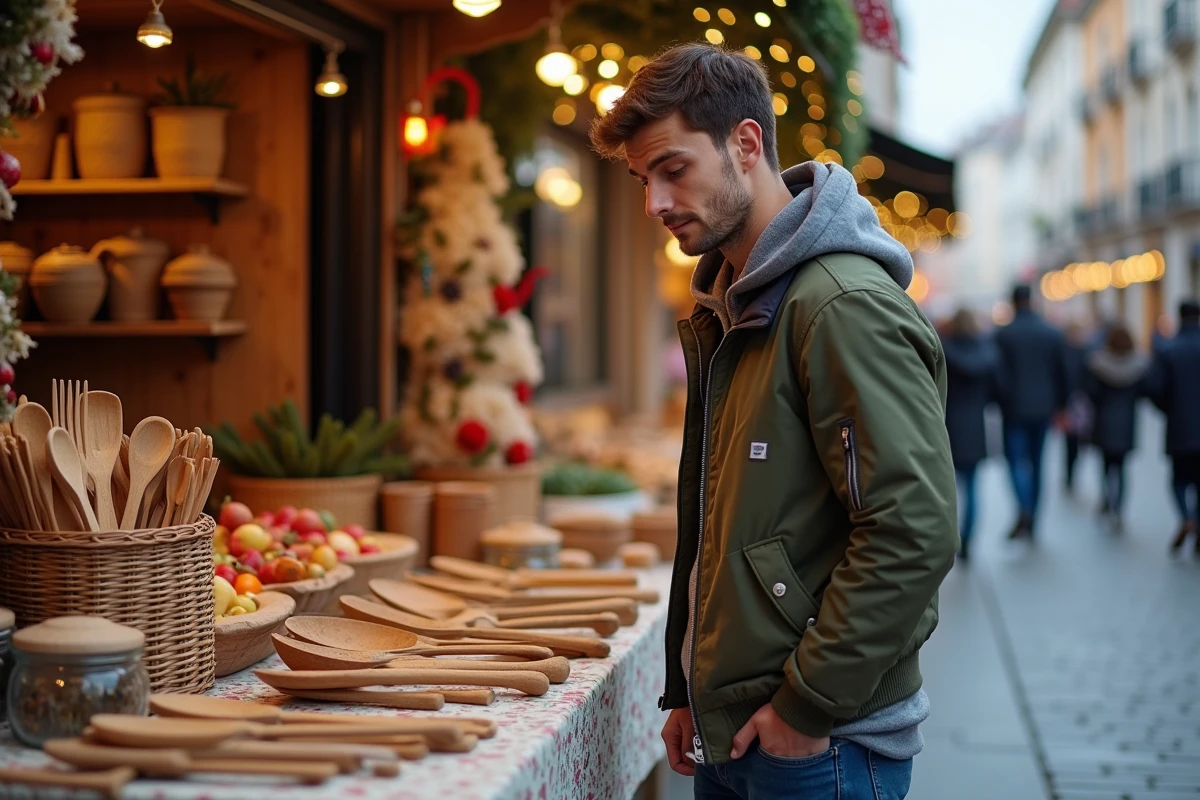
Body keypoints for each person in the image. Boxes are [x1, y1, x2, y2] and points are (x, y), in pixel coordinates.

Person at [591, 43, 958, 800]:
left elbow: (912, 529)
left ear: (746, 144)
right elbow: (736, 524)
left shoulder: (838, 306)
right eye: (642, 179)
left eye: (673, 168)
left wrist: (807, 703)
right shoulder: (739, 303)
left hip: (820, 746)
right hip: (743, 729)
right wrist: (695, 685)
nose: (654, 203)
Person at [993, 284, 1069, 540]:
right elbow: (1063, 374)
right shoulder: (1051, 333)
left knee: (1015, 461)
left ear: (1013, 302)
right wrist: (1061, 406)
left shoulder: (1004, 335)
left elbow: (998, 374)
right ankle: (1033, 515)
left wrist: (1000, 400)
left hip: (1013, 409)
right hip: (1044, 409)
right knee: (1038, 464)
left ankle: (1024, 507)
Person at [940, 308, 997, 561]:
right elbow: (995, 389)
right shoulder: (985, 352)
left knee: (946, 488)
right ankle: (969, 538)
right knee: (973, 487)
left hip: (947, 423)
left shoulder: (944, 350)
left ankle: (949, 539)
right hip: (975, 424)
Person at [1146, 299, 1200, 553]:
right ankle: (1195, 521)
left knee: (1179, 480)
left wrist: (1171, 410)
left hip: (1180, 427)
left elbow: (1155, 389)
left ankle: (1187, 518)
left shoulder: (1169, 350)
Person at [1083, 323, 1149, 530]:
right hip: (1127, 421)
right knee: (1121, 468)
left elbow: (1090, 392)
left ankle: (1106, 499)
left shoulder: (1097, 364)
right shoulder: (1138, 366)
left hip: (1103, 421)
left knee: (1104, 465)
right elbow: (1145, 392)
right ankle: (1119, 507)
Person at [1060, 320, 1092, 492]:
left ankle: (1073, 474)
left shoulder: (1087, 352)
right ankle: (1069, 475)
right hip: (1069, 403)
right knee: (1070, 443)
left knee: (1082, 443)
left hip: (1083, 404)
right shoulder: (1063, 352)